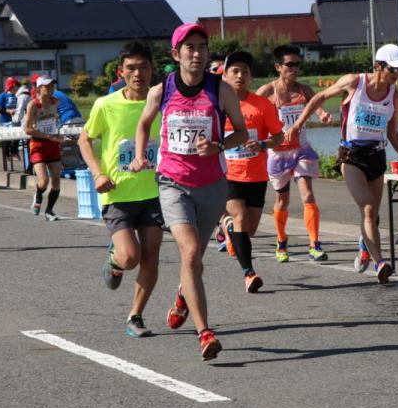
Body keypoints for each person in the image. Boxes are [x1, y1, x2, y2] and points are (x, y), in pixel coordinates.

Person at [130, 23, 250, 361]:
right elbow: (143, 123)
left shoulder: (220, 90)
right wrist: (140, 155)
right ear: (176, 54)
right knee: (192, 249)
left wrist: (218, 145)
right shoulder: (162, 90)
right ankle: (205, 333)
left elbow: (242, 133)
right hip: (173, 182)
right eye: (190, 48)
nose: (197, 54)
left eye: (202, 47)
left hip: (212, 184)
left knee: (194, 258)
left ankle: (184, 294)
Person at [284, 43, 398, 284]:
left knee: (373, 214)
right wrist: (297, 125)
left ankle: (364, 244)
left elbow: (393, 134)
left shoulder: (394, 96)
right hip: (351, 155)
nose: (397, 74)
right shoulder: (354, 82)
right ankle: (380, 263)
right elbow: (319, 97)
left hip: (376, 156)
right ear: (378, 66)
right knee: (368, 208)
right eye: (393, 69)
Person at [79, 42, 164, 338]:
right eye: (131, 68)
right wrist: (98, 173)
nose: (138, 73)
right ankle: (115, 260)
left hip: (154, 192)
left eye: (143, 67)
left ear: (152, 70)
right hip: (117, 193)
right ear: (121, 72)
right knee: (130, 257)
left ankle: (135, 316)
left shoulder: (163, 102)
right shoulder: (106, 105)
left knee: (151, 256)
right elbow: (84, 139)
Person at [258, 44, 333, 263]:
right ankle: (281, 241)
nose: (294, 69)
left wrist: (323, 115)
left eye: (297, 64)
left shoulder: (304, 90)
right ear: (278, 67)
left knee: (307, 194)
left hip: (301, 150)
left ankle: (314, 244)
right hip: (278, 154)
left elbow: (317, 105)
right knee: (283, 201)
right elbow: (249, 110)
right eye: (289, 65)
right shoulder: (267, 91)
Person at [219, 51, 285, 292]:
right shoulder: (217, 105)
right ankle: (249, 273)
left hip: (256, 175)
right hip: (228, 174)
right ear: (225, 75)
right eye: (235, 71)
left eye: (245, 71)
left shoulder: (262, 105)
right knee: (240, 218)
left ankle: (227, 228)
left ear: (251, 76)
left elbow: (279, 136)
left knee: (250, 230)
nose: (240, 76)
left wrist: (263, 144)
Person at [24, 75, 68, 221]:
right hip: (38, 145)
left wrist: (58, 135)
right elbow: (27, 129)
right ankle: (38, 196)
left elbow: (55, 122)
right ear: (38, 88)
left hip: (53, 144)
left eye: (52, 86)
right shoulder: (33, 105)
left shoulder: (56, 101)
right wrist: (48, 136)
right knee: (44, 180)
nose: (50, 89)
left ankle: (49, 211)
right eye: (47, 86)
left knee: (56, 181)